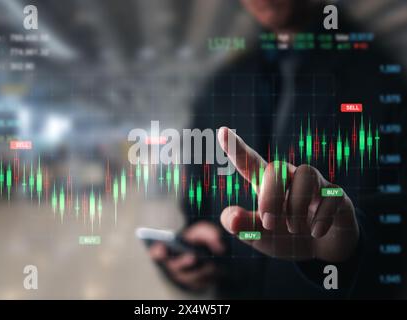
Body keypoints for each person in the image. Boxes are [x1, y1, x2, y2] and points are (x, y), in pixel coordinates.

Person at [149, 0, 407, 298]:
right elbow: (200, 206)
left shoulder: (380, 79)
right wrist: (195, 254)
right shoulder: (221, 88)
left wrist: (352, 243)